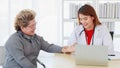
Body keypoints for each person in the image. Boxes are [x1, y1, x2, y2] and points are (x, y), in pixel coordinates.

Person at [4, 9, 75, 68]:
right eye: (31, 26)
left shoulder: (36, 38)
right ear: (22, 27)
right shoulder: (14, 40)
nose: (34, 28)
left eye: (34, 24)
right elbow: (22, 60)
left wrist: (65, 49)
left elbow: (48, 47)